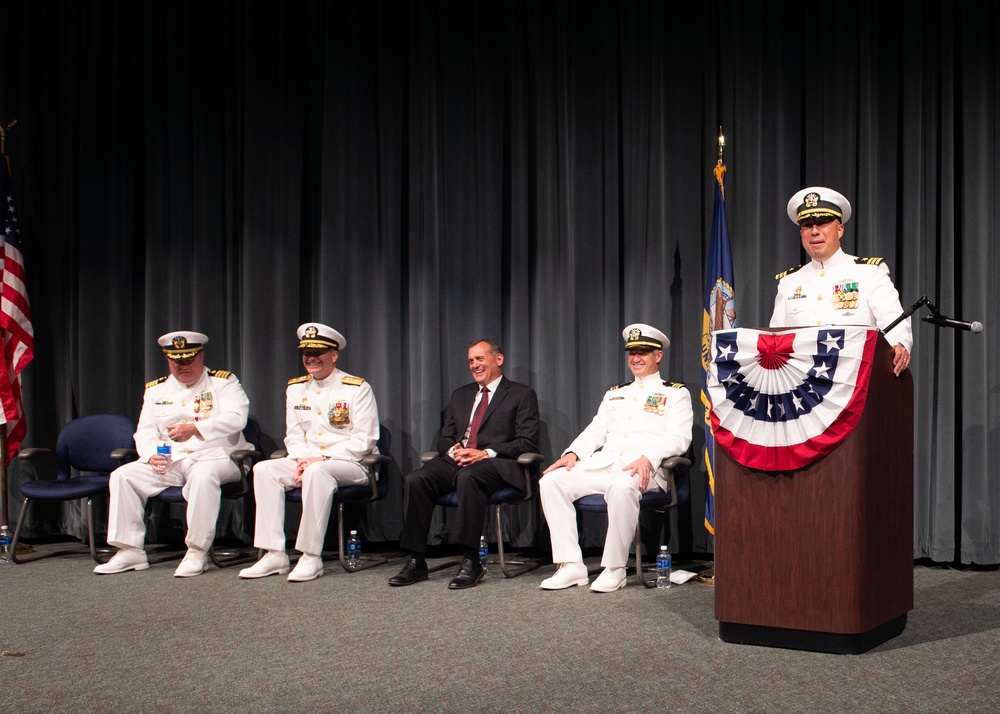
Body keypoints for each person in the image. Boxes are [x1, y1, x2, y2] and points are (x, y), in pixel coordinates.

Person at [538, 323, 693, 593]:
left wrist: (649, 457)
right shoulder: (615, 393)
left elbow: (679, 438)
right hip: (606, 465)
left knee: (622, 486)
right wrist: (573, 453)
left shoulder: (675, 393)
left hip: (646, 472)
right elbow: (595, 430)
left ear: (658, 355)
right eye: (632, 352)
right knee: (551, 481)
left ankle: (615, 569)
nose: (636, 358)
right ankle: (571, 565)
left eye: (643, 352)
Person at [95, 331, 252, 577]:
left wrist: (195, 428)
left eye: (188, 359)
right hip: (172, 461)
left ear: (200, 356)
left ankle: (197, 550)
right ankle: (129, 550)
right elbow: (144, 431)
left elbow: (236, 419)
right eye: (177, 361)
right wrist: (149, 456)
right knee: (123, 475)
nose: (183, 366)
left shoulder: (223, 382)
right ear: (168, 360)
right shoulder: (156, 390)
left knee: (203, 474)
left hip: (218, 457)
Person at [388, 338, 540, 590]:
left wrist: (485, 453)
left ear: (498, 359)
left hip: (498, 464)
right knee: (416, 479)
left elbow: (527, 443)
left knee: (469, 477)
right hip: (458, 460)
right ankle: (416, 559)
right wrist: (453, 449)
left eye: (480, 358)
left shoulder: (521, 394)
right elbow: (445, 436)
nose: (475, 365)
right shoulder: (461, 395)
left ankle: (471, 560)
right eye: (471, 360)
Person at [239, 323, 379, 582]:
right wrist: (302, 460)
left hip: (352, 464)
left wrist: (321, 459)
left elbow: (364, 439)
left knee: (318, 471)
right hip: (308, 462)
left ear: (334, 355)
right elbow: (294, 435)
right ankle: (273, 553)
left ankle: (310, 556)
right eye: (306, 353)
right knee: (264, 469)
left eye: (319, 352)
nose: (311, 358)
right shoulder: (295, 388)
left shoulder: (356, 388)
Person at [770, 186, 913, 376]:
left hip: (854, 380)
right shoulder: (789, 282)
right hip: (802, 387)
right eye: (807, 225)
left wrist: (899, 344)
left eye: (822, 223)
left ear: (840, 230)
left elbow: (894, 320)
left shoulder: (868, 272)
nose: (814, 231)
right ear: (801, 233)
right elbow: (775, 338)